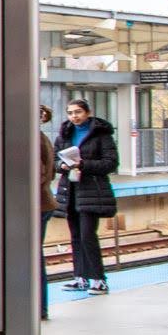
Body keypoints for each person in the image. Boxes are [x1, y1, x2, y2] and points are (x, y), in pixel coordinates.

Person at [54, 99, 117, 294]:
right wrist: (61, 166)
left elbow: (111, 163)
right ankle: (80, 278)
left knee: (88, 235)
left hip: (91, 190)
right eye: (71, 113)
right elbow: (56, 159)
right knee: (75, 236)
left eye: (78, 112)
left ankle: (98, 280)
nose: (74, 116)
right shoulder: (65, 134)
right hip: (70, 190)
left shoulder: (101, 135)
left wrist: (83, 164)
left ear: (88, 112)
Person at [39, 106, 58, 319]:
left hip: (35, 206)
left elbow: (40, 174)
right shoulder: (42, 138)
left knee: (30, 258)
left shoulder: (32, 140)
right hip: (43, 203)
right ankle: (39, 306)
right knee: (34, 257)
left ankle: (38, 306)